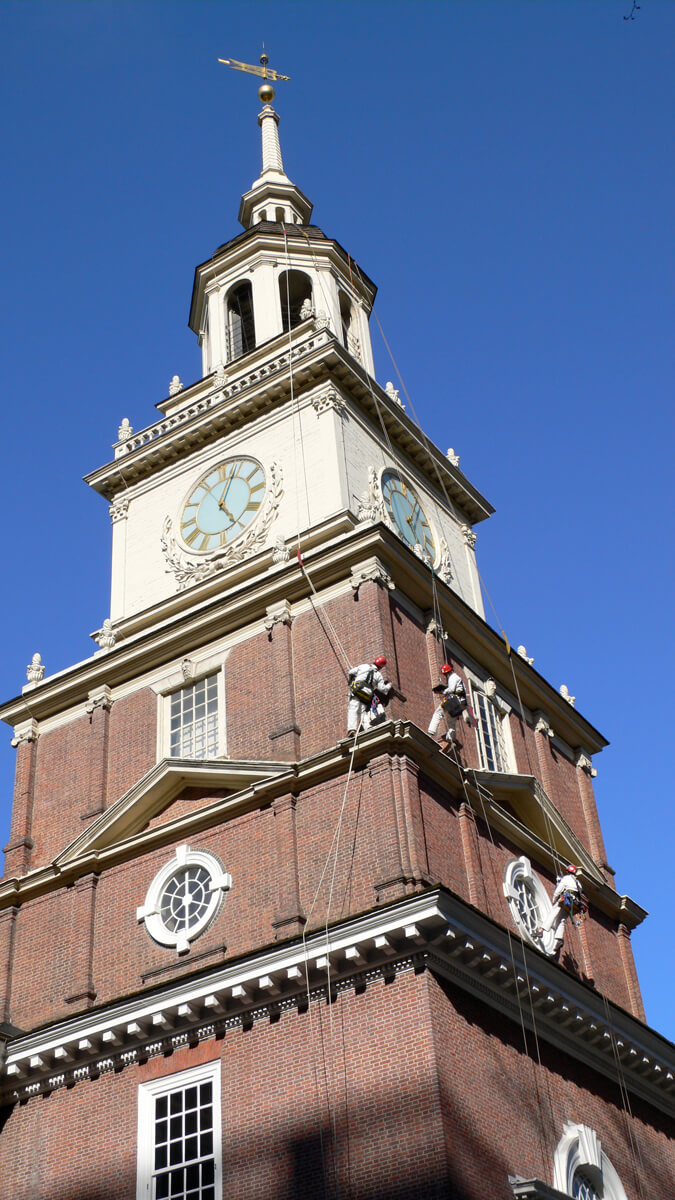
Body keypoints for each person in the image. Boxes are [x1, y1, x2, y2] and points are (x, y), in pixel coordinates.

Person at [539, 865, 587, 952]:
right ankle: (559, 939)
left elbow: (558, 890)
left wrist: (554, 900)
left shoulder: (566, 878)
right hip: (573, 903)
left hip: (566, 900)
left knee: (553, 914)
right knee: (561, 920)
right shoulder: (578, 883)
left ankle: (541, 930)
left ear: (568, 871)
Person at [428, 663, 469, 750]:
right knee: (451, 722)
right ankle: (451, 739)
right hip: (458, 703)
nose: (446, 676)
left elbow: (451, 689)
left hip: (452, 701)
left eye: (446, 674)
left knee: (438, 713)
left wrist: (443, 691)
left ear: (447, 672)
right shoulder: (459, 679)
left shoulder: (453, 677)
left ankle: (431, 732)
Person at [347, 656, 392, 735]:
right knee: (362, 711)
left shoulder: (364, 666)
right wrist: (389, 686)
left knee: (353, 708)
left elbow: (350, 672)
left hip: (358, 690)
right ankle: (367, 726)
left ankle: (352, 729)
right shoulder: (379, 675)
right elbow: (382, 689)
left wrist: (355, 677)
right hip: (367, 694)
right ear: (381, 667)